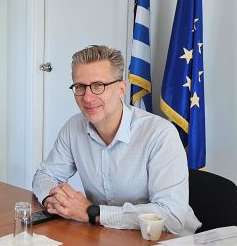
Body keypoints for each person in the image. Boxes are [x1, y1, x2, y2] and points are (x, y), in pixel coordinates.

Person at [32, 45, 200, 234]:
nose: (87, 97)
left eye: (98, 86)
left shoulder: (160, 134)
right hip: (107, 235)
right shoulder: (74, 128)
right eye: (80, 87)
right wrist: (53, 199)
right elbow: (44, 175)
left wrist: (93, 212)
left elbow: (172, 216)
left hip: (165, 242)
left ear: (121, 89)